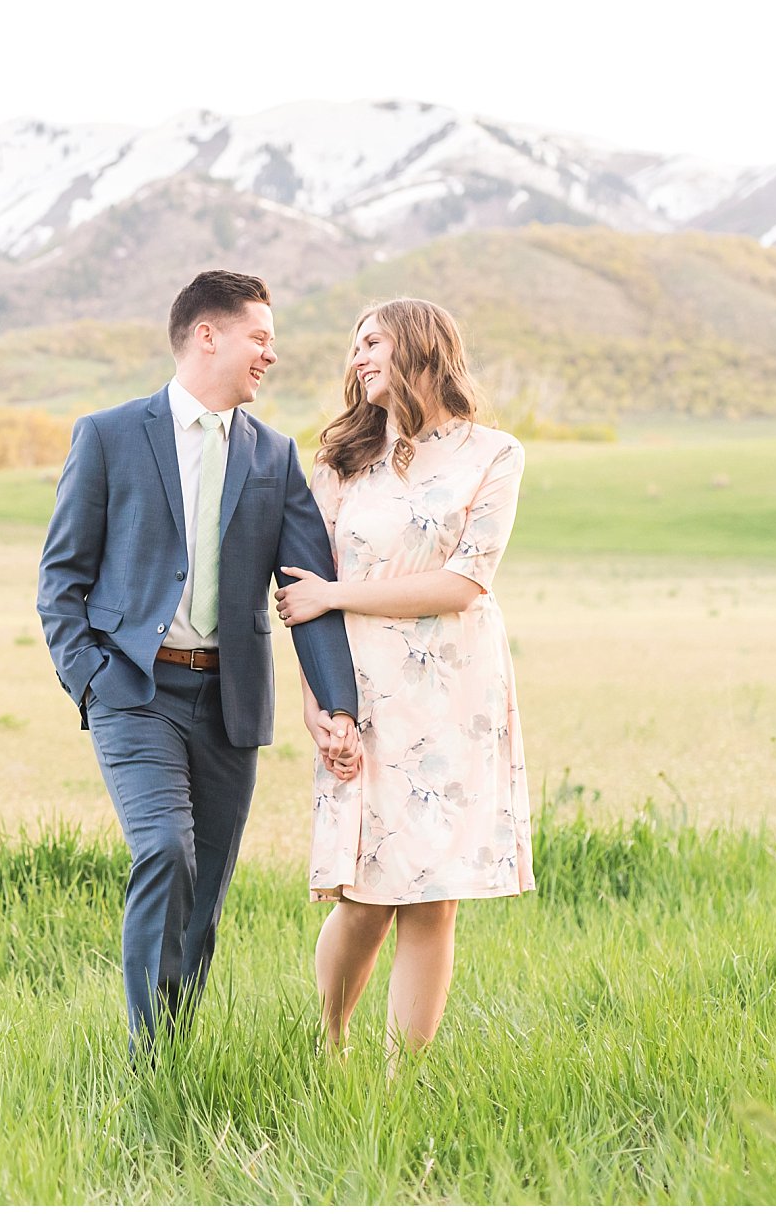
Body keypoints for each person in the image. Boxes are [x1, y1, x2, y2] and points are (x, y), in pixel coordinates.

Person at [38, 269, 361, 1053]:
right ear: (207, 335)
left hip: (230, 701)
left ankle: (174, 1058)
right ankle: (148, 1062)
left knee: (206, 891)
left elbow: (307, 589)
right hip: (134, 690)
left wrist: (338, 704)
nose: (270, 356)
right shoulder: (109, 435)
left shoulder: (274, 456)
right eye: (260, 338)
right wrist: (92, 677)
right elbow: (61, 578)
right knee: (165, 850)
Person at [273, 296, 533, 1059]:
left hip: (456, 693)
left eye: (373, 342)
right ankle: (328, 1046)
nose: (357, 358)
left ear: (421, 347)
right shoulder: (340, 461)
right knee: (364, 897)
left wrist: (336, 594)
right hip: (359, 690)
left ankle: (402, 1087)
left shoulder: (494, 453)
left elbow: (464, 584)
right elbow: (299, 595)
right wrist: (318, 708)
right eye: (354, 346)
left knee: (432, 899)